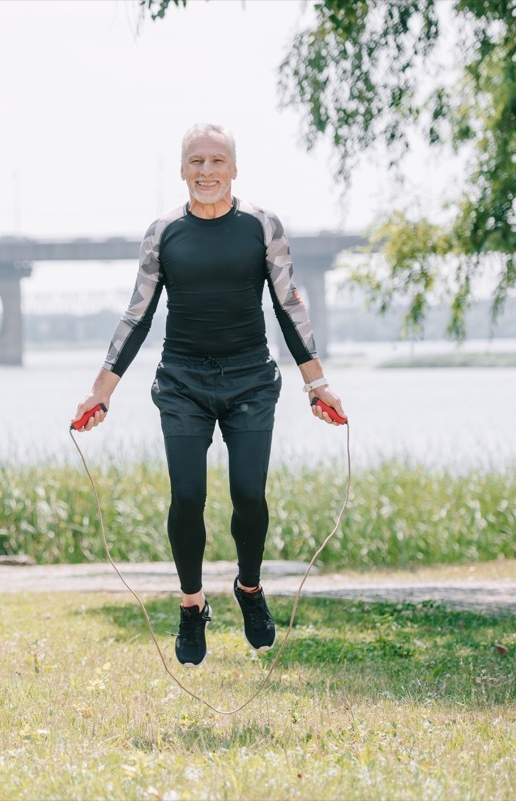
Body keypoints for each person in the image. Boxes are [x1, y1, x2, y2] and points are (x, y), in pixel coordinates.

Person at [72, 123, 347, 668]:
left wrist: (317, 384)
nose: (207, 171)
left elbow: (288, 305)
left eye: (217, 160)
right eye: (196, 161)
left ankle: (250, 588)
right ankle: (192, 603)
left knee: (249, 494)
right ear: (182, 171)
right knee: (187, 497)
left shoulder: (262, 226)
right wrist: (100, 393)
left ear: (234, 168)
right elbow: (137, 314)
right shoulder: (163, 233)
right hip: (182, 382)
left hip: (251, 380)